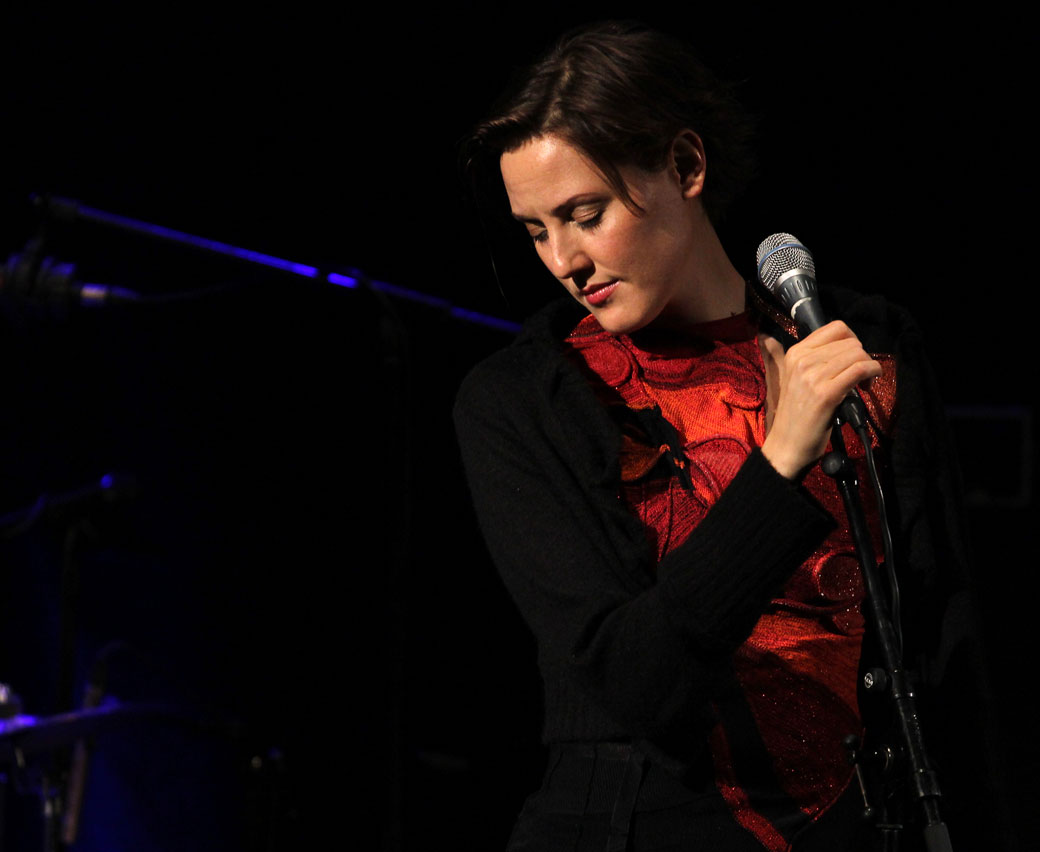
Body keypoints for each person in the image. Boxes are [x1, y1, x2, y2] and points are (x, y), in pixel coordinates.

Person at [454, 20, 989, 852]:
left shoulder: (865, 348)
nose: (563, 260)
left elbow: (949, 645)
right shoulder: (523, 403)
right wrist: (779, 462)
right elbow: (631, 679)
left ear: (685, 166)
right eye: (536, 230)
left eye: (585, 215)